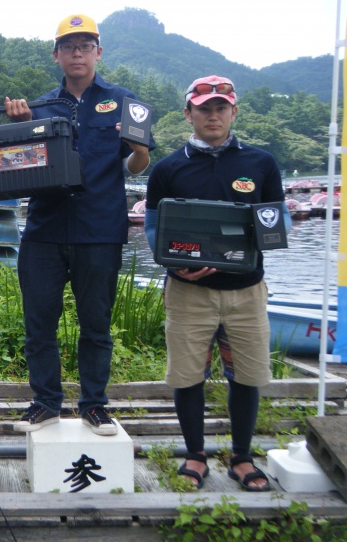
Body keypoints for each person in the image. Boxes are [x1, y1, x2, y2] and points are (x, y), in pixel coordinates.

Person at [5, 13, 152, 436]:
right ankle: (45, 402)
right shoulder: (40, 105)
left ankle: (94, 405)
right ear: (56, 55)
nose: (77, 53)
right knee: (39, 322)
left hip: (99, 229)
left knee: (96, 324)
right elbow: (17, 161)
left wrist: (140, 149)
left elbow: (134, 163)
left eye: (85, 46)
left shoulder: (124, 101)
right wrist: (17, 124)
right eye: (69, 46)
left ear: (98, 53)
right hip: (44, 229)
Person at [145, 75, 289, 491]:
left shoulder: (261, 163)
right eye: (204, 108)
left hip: (247, 291)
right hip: (189, 292)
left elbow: (277, 222)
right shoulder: (168, 168)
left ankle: (242, 458)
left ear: (233, 112)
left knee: (246, 375)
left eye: (220, 108)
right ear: (188, 112)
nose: (213, 115)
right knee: (187, 376)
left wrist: (271, 231)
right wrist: (174, 264)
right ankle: (195, 455)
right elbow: (155, 229)